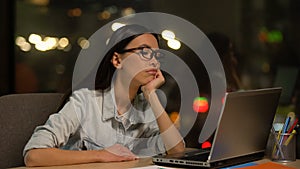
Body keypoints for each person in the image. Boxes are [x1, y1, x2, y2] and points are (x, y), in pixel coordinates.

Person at [23, 24, 185, 167]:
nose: (154, 62)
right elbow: (34, 156)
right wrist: (101, 155)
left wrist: (151, 94)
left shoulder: (145, 105)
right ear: (117, 60)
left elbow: (177, 150)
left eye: (157, 55)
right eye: (144, 52)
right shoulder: (85, 102)